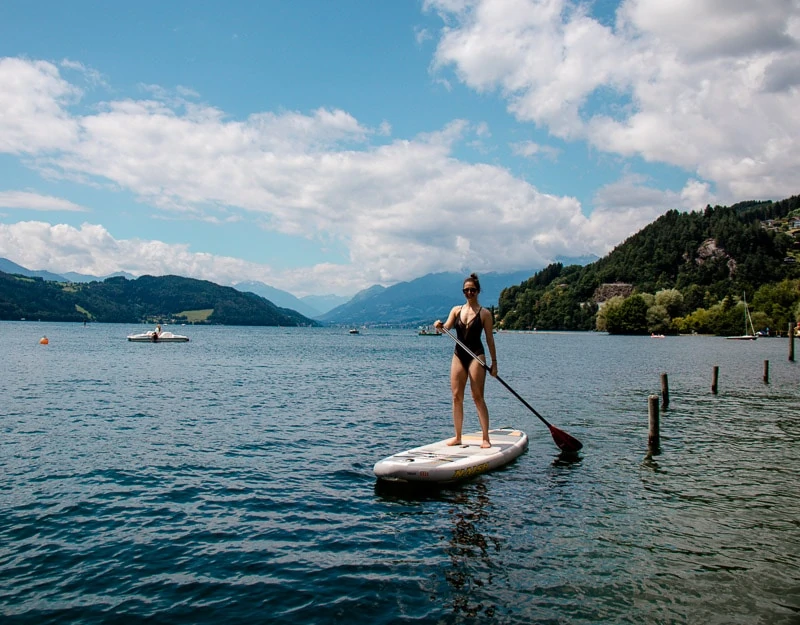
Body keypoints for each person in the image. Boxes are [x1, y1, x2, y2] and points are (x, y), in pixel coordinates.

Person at [434, 273, 497, 448]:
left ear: (478, 291)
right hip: (458, 355)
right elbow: (446, 328)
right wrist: (439, 326)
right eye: (466, 290)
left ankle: (485, 438)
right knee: (456, 396)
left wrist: (494, 364)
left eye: (472, 290)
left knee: (477, 397)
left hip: (477, 355)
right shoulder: (456, 310)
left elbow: (490, 339)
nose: (469, 293)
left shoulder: (485, 314)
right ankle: (458, 436)